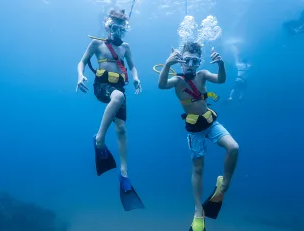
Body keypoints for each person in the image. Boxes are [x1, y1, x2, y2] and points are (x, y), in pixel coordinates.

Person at [158, 42, 239, 231]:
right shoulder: (178, 81)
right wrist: (168, 64)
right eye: (187, 60)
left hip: (211, 124)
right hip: (194, 130)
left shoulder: (202, 75)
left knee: (234, 148)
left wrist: (221, 65)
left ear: (199, 62)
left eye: (195, 61)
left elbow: (220, 80)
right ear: (181, 61)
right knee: (198, 170)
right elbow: (161, 85)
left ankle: (224, 183)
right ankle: (197, 210)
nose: (191, 64)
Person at [76, 8, 144, 211]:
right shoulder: (97, 44)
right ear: (107, 25)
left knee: (122, 128)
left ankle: (124, 173)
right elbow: (82, 61)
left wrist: (137, 77)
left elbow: (132, 66)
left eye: (121, 28)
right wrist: (80, 76)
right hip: (102, 86)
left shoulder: (126, 47)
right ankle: (99, 139)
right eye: (114, 26)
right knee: (118, 97)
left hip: (119, 86)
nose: (117, 31)